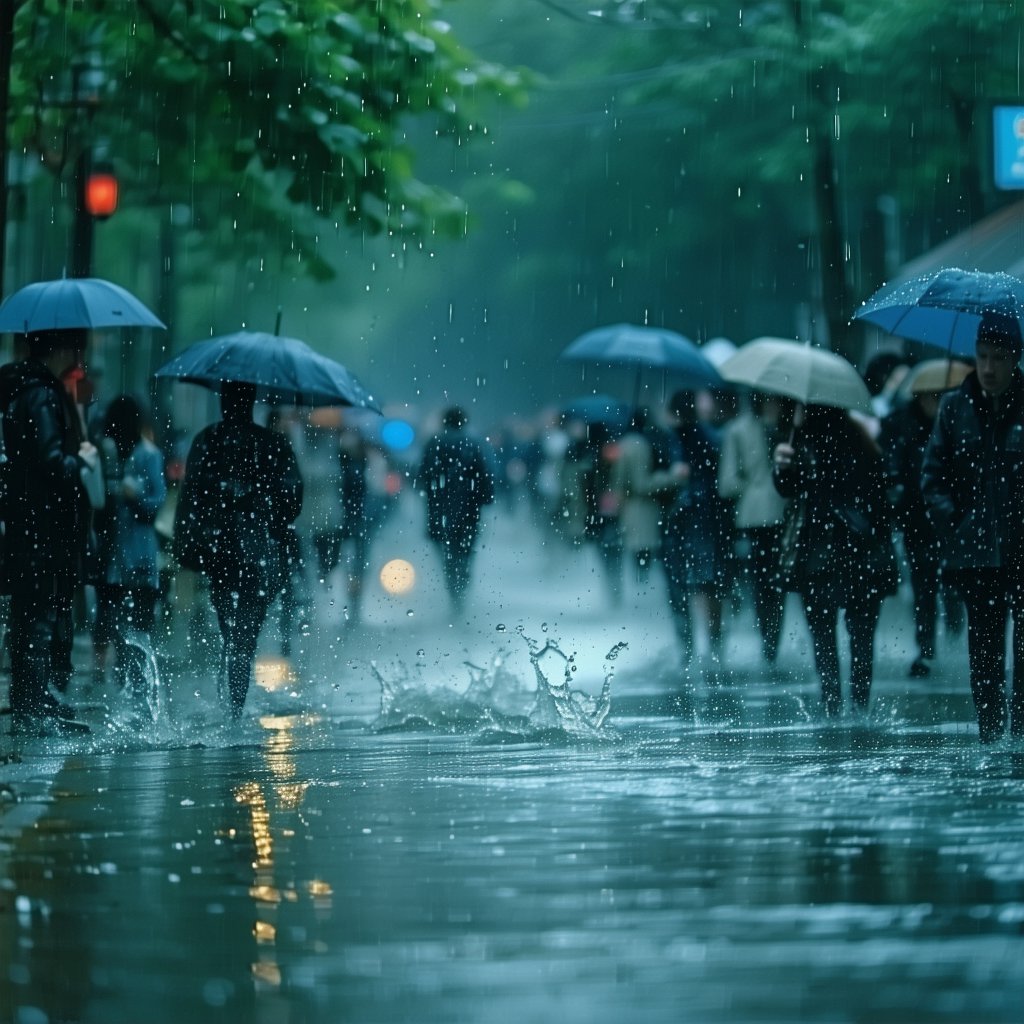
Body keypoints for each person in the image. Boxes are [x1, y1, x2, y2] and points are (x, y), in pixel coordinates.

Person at [173, 382, 303, 718]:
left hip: (224, 550)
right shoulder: (271, 444)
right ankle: (234, 703)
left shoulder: (209, 440)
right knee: (244, 634)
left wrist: (188, 539)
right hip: (256, 551)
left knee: (232, 631)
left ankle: (232, 702)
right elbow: (292, 501)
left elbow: (192, 497)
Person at [921, 320, 1024, 742]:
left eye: (998, 358)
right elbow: (932, 478)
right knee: (983, 649)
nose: (988, 367)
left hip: (1020, 547)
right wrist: (956, 526)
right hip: (975, 554)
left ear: (1014, 359)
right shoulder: (954, 407)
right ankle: (990, 732)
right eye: (982, 356)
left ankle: (1018, 732)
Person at [0, 329, 98, 734]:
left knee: (30, 618)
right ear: (59, 349)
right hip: (39, 525)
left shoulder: (17, 389)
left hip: (24, 521)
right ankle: (30, 711)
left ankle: (33, 702)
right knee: (37, 619)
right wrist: (83, 459)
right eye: (75, 349)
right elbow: (51, 462)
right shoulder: (41, 393)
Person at [773, 402, 898, 717]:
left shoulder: (809, 442)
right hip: (858, 554)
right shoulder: (860, 440)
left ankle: (833, 707)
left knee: (825, 636)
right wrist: (783, 467)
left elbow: (792, 490)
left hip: (825, 554)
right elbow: (882, 500)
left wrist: (785, 467)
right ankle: (857, 708)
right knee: (859, 637)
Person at [879, 360, 971, 679]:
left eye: (938, 395)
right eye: (927, 396)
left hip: (952, 517)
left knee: (952, 581)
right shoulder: (900, 423)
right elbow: (892, 465)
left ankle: (955, 628)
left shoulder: (957, 418)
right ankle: (926, 645)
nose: (933, 401)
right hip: (916, 518)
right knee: (924, 584)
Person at [91, 395, 167, 692]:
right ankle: (108, 677)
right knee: (107, 616)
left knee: (138, 621)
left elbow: (156, 502)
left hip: (137, 554)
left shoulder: (149, 455)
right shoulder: (105, 454)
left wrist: (134, 497)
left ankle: (135, 678)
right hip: (110, 553)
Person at [662, 389, 733, 675]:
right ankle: (709, 647)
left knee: (684, 586)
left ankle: (691, 647)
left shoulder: (672, 439)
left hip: (688, 521)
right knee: (706, 583)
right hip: (706, 521)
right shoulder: (710, 438)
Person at [718, 391, 790, 666]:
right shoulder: (738, 431)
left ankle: (772, 640)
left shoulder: (786, 429)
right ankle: (768, 640)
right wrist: (754, 487)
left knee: (777, 581)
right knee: (764, 582)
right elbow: (727, 482)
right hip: (756, 517)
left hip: (780, 513)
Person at [415, 406, 495, 612]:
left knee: (447, 553)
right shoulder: (473, 443)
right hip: (468, 507)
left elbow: (423, 474)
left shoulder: (434, 442)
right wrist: (485, 498)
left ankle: (453, 591)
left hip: (440, 507)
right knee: (465, 551)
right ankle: (462, 586)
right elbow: (483, 474)